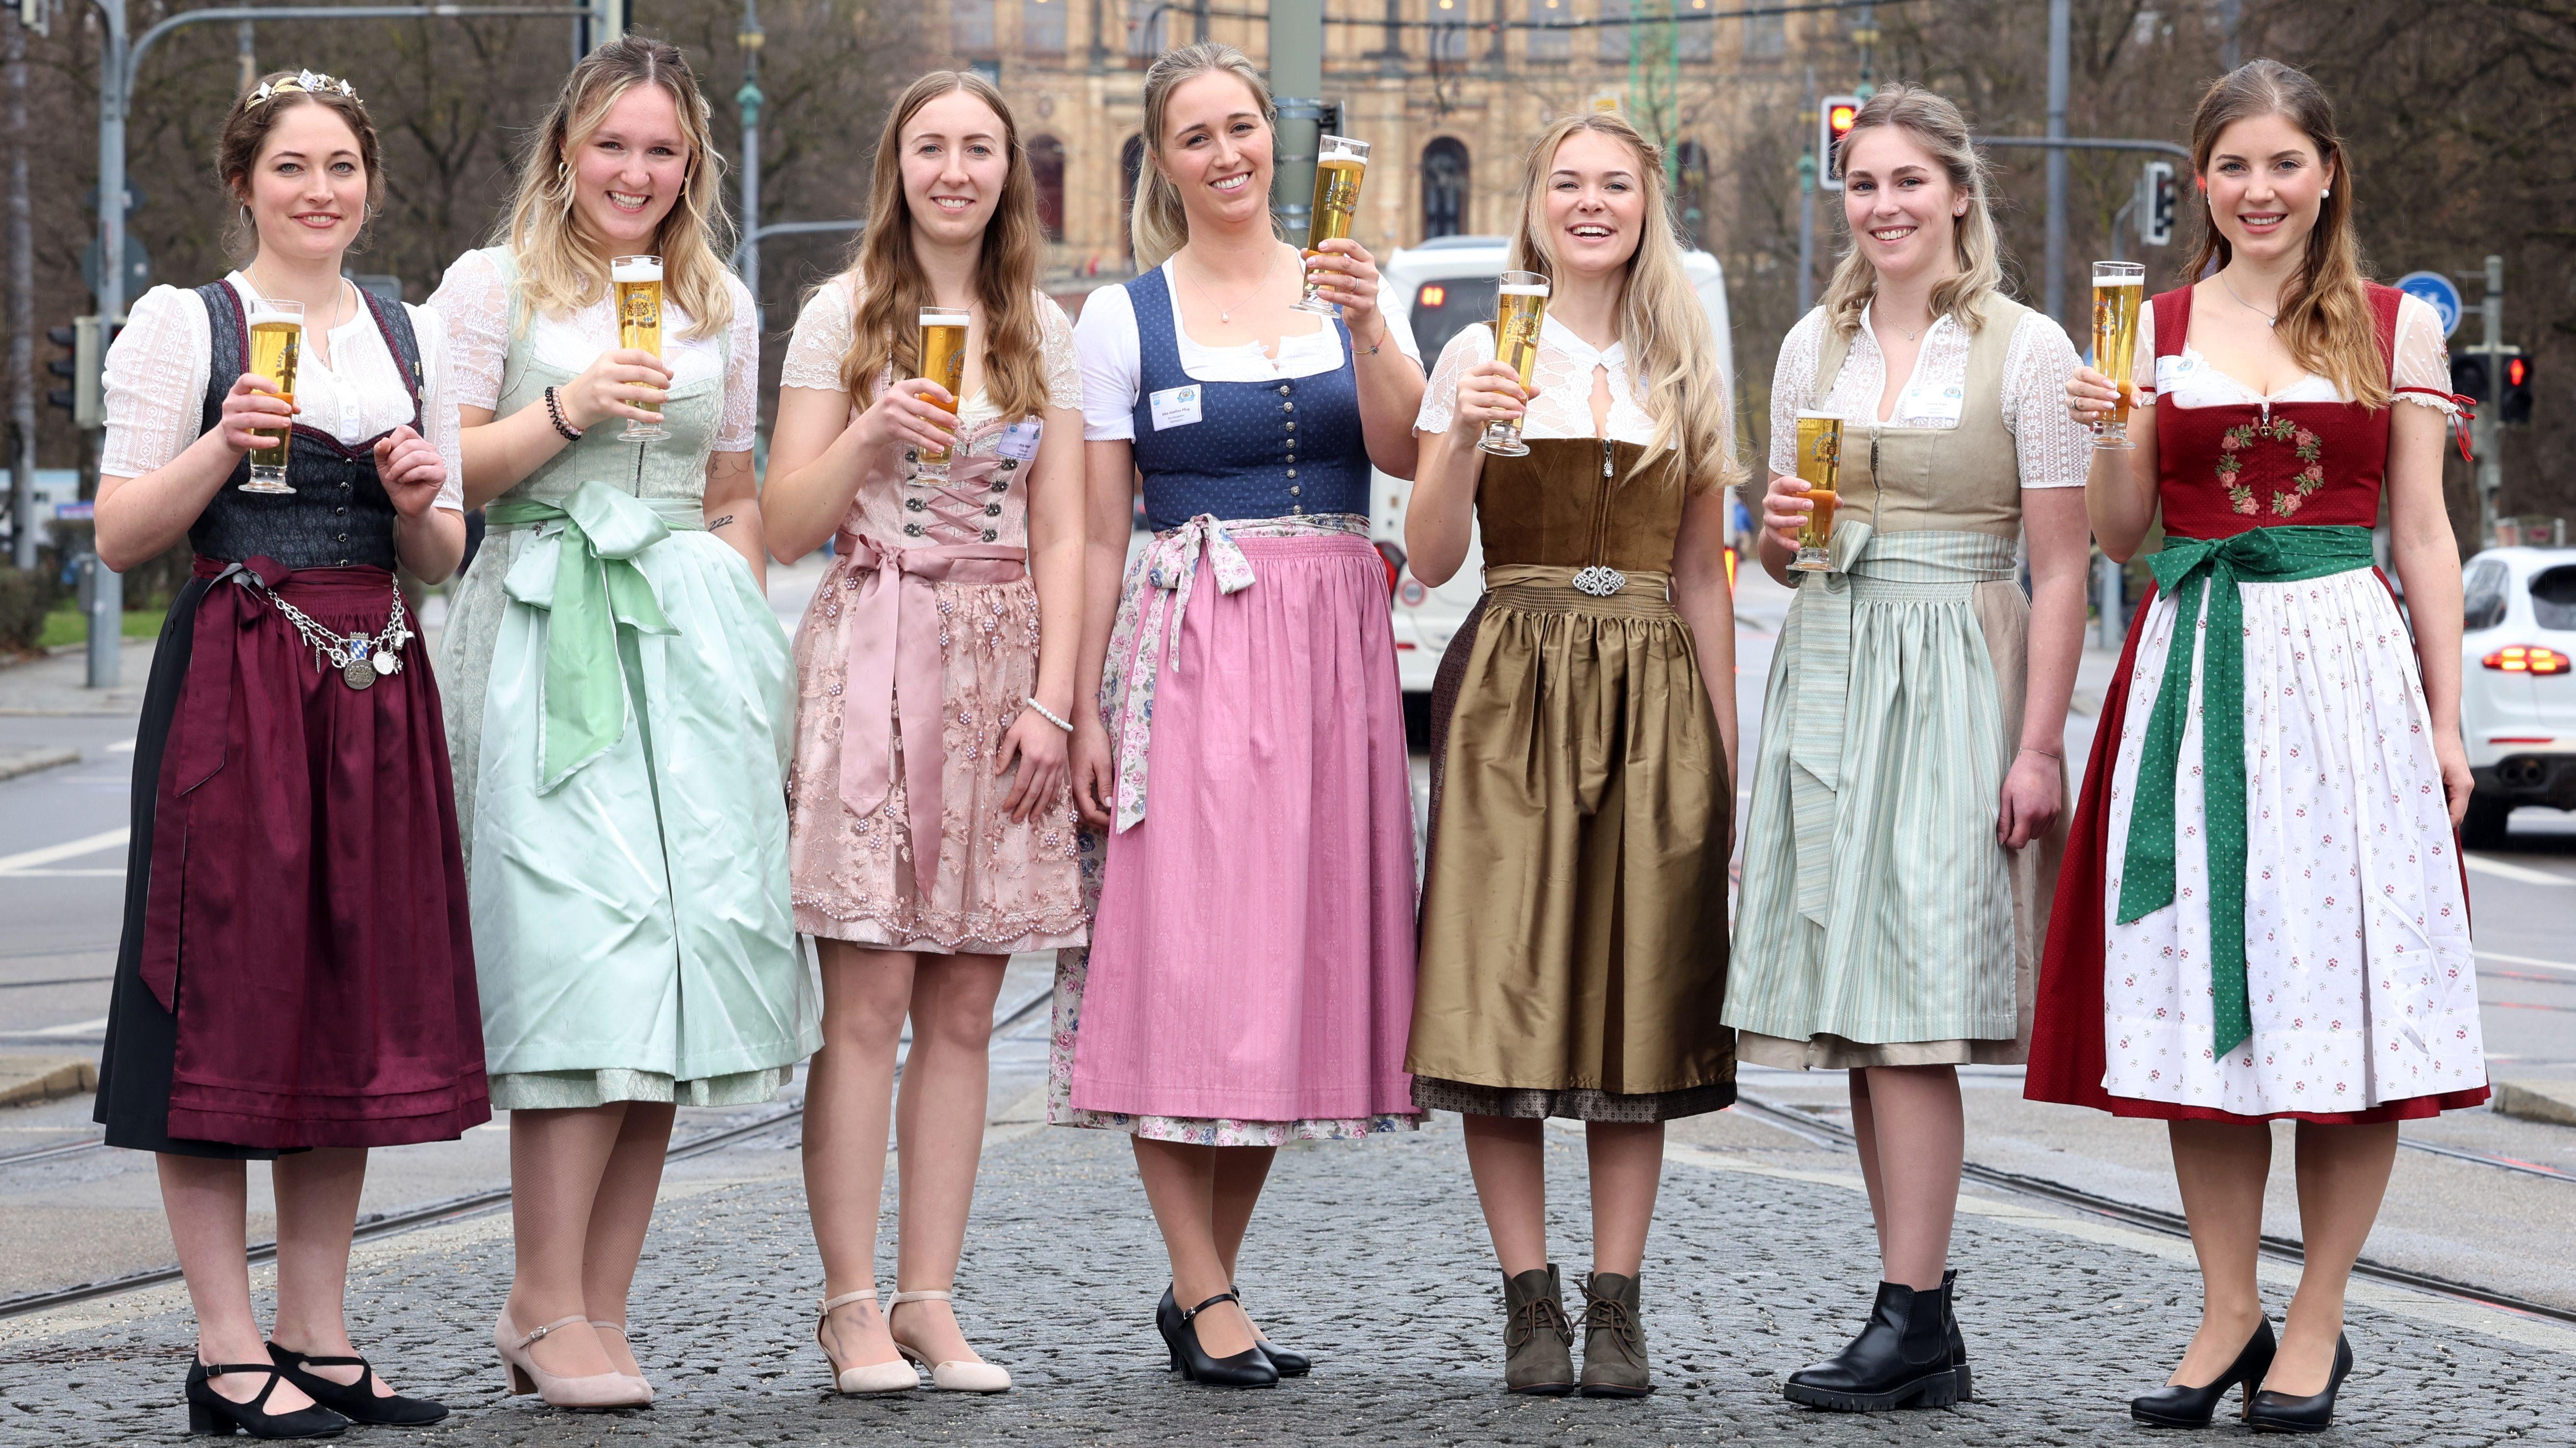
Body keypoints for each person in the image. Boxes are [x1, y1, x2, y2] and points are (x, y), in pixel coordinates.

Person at [2031, 58, 2486, 1434]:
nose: (2260, 189)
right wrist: (2114, 441)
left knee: (2346, 1002)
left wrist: (2446, 718)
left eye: (2284, 162)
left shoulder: (2396, 324)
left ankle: (2317, 1315)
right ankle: (2225, 1302)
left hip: (2345, 668)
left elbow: (2420, 532)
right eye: (2233, 166)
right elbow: (2119, 541)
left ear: (2326, 172)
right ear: (2201, 181)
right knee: (2201, 1007)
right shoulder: (2146, 327)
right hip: (2196, 665)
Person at [88, 69, 482, 1437]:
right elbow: (122, 534)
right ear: (246, 183)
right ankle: (224, 1340)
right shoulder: (181, 325)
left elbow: (439, 558)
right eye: (293, 167)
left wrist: (425, 502)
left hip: (370, 678)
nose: (322, 190)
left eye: (341, 166)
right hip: (236, 678)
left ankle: (316, 1328)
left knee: (345, 1000)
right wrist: (220, 445)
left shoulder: (405, 329)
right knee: (220, 997)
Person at [430, 35, 811, 1410]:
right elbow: (443, 466)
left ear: (690, 165)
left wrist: (747, 637)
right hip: (545, 624)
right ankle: (539, 1295)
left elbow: (731, 490)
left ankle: (599, 1298)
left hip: (686, 641)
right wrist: (566, 406)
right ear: (565, 150)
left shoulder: (717, 297)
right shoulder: (494, 285)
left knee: (679, 973)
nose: (635, 172)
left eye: (661, 150)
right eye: (612, 144)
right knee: (579, 959)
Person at [1051, 40, 1426, 1389]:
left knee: (1282, 973)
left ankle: (1204, 1283)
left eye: (1242, 128)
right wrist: (1084, 704)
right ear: (1162, 159)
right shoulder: (1119, 318)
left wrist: (1372, 320)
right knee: (1186, 961)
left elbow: (1405, 452)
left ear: (1278, 140)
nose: (1225, 154)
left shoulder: (1344, 292)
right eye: (1195, 136)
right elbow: (1097, 533)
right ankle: (1207, 1292)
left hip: (1332, 642)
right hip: (1190, 638)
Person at [1724, 83, 2091, 1412]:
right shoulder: (1807, 348)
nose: (1882, 205)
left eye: (1905, 182)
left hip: (1953, 664)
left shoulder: (2028, 349)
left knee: (1917, 1011)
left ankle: (1915, 1309)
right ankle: (1907, 1306)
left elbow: (2061, 573)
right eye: (1862, 184)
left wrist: (2037, 745)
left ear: (1957, 195)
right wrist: (1775, 529)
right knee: (1861, 1015)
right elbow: (1784, 552)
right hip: (1829, 660)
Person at [1401, 110, 1738, 1399]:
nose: (1589, 202)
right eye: (1567, 182)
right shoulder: (1485, 349)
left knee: (1636, 1007)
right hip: (1511, 682)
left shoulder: (1683, 356)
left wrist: (1719, 749)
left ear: (1648, 206)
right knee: (1498, 988)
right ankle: (1525, 1298)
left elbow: (1704, 577)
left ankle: (1619, 1301)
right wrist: (1462, 436)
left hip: (1649, 684)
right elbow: (1431, 558)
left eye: (1614, 184)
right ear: (1533, 205)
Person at [764, 70, 1086, 1397]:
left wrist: (1056, 698)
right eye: (930, 147)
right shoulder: (839, 313)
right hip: (875, 643)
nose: (954, 169)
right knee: (870, 996)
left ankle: (930, 1297)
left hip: (1004, 661)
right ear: (895, 166)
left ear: (1010, 173)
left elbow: (1065, 528)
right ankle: (849, 1303)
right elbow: (782, 520)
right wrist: (866, 433)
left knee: (964, 1001)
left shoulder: (1043, 327)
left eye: (979, 149)